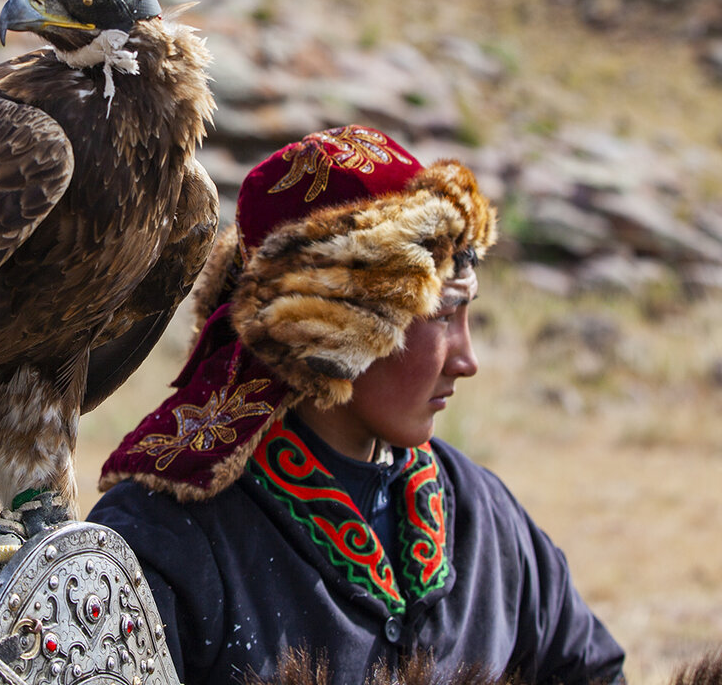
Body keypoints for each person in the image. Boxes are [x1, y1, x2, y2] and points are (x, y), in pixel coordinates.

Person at [88, 125, 625, 685]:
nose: (466, 360)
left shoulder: (483, 517)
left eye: (468, 315)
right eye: (442, 315)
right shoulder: (164, 539)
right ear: (338, 327)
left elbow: (593, 671)